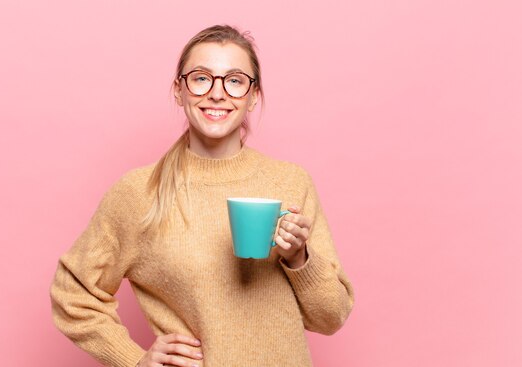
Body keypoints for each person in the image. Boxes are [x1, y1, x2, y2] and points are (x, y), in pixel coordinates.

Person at [50, 24, 355, 367]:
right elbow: (72, 292)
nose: (217, 93)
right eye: (201, 78)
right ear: (179, 90)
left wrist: (299, 257)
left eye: (235, 80)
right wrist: (132, 359)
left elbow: (332, 317)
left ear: (254, 96)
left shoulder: (291, 182)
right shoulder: (139, 192)